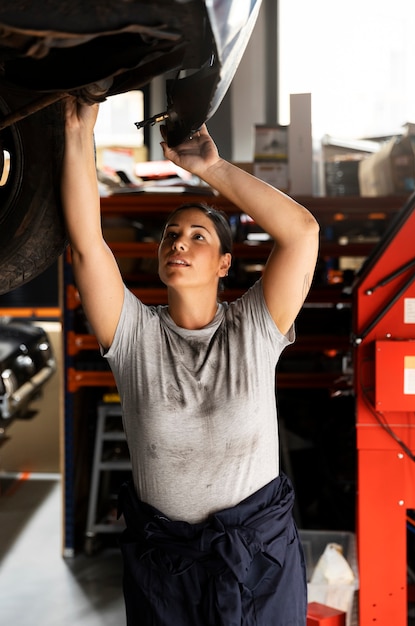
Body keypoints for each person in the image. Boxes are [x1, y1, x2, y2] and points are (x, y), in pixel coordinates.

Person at [62, 96, 319, 626]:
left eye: (197, 237)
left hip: (257, 559)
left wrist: (212, 168)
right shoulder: (135, 335)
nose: (178, 244)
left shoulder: (253, 328)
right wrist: (77, 127)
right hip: (165, 564)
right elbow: (87, 245)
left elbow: (302, 233)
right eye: (170, 236)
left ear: (226, 263)